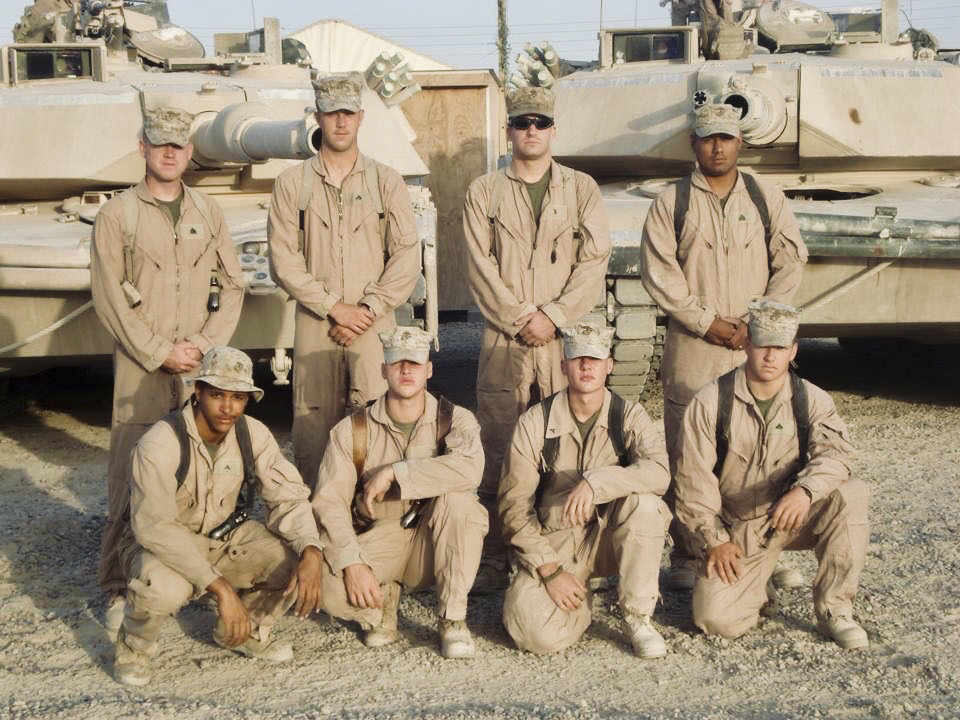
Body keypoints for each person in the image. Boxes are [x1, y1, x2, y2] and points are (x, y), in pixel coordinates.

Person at [639, 102, 808, 590]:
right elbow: (659, 270)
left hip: (755, 343)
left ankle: (763, 552)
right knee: (688, 449)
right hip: (695, 344)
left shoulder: (764, 196)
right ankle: (688, 553)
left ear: (740, 142)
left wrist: (758, 322)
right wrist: (705, 321)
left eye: (726, 138)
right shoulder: (671, 201)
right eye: (709, 138)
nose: (718, 147)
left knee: (761, 449)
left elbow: (789, 260)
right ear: (694, 142)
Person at [90, 106, 245, 632]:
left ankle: (190, 571)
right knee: (131, 472)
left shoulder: (208, 210)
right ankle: (119, 584)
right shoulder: (118, 215)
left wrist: (202, 345)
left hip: (199, 366)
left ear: (189, 152)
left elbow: (233, 285)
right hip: (143, 364)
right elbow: (109, 297)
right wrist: (160, 351)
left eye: (178, 145)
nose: (170, 153)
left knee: (198, 469)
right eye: (160, 144)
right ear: (143, 148)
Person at [462, 86, 611, 588]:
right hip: (504, 338)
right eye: (522, 122)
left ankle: (564, 550)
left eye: (540, 123)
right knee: (499, 441)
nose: (531, 131)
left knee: (563, 444)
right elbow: (479, 264)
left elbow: (594, 261)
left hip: (561, 339)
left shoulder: (581, 189)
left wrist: (554, 315)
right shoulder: (484, 191)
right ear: (508, 129)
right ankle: (495, 554)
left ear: (553, 130)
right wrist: (519, 317)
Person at [112, 347, 325, 686]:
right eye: (217, 395)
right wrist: (221, 590)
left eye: (238, 397)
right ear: (197, 392)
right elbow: (155, 528)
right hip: (165, 544)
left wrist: (311, 549)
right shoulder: (160, 443)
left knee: (295, 561)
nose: (228, 407)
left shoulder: (252, 433)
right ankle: (134, 647)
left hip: (223, 535)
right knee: (163, 588)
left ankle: (245, 630)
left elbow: (288, 497)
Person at [675, 301, 869, 649]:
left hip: (791, 515)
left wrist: (805, 491)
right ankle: (759, 580)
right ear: (747, 344)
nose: (770, 356)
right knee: (716, 621)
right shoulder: (710, 402)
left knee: (851, 494)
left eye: (779, 348)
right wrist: (715, 540)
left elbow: (837, 455)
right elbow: (693, 482)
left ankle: (836, 610)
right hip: (739, 529)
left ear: (793, 350)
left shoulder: (811, 399)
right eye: (763, 345)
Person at [268, 71, 421, 492]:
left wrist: (368, 308)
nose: (340, 122)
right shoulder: (292, 183)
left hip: (374, 325)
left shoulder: (385, 181)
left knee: (376, 420)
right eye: (332, 113)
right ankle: (317, 520)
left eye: (348, 113)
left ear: (361, 117)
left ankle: (373, 513)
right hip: (317, 322)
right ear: (318, 116)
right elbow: (284, 260)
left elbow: (406, 255)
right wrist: (334, 307)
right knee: (314, 427)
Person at [311, 327, 487, 658]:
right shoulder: (352, 429)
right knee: (326, 584)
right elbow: (329, 502)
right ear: (383, 370)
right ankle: (381, 603)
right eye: (397, 363)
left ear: (428, 370)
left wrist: (395, 472)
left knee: (462, 504)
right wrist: (352, 563)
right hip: (381, 536)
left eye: (414, 363)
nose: (406, 370)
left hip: (432, 542)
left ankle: (452, 618)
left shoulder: (455, 419)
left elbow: (469, 469)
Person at [499, 323, 671, 656]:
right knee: (536, 636)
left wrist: (597, 482)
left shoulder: (629, 416)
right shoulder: (535, 422)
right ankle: (581, 597)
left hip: (611, 536)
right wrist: (549, 570)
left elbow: (660, 473)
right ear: (564, 365)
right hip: (558, 541)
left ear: (610, 365)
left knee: (645, 506)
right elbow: (513, 508)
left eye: (595, 358)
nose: (586, 366)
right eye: (578, 358)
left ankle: (638, 617)